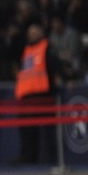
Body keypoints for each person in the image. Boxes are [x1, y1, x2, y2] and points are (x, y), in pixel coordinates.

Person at [14, 23, 58, 164]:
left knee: (47, 129)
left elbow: (53, 66)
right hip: (25, 95)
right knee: (26, 128)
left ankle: (52, 159)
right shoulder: (27, 50)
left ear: (40, 33)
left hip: (41, 94)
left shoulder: (46, 47)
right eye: (30, 33)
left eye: (34, 32)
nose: (31, 35)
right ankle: (27, 157)